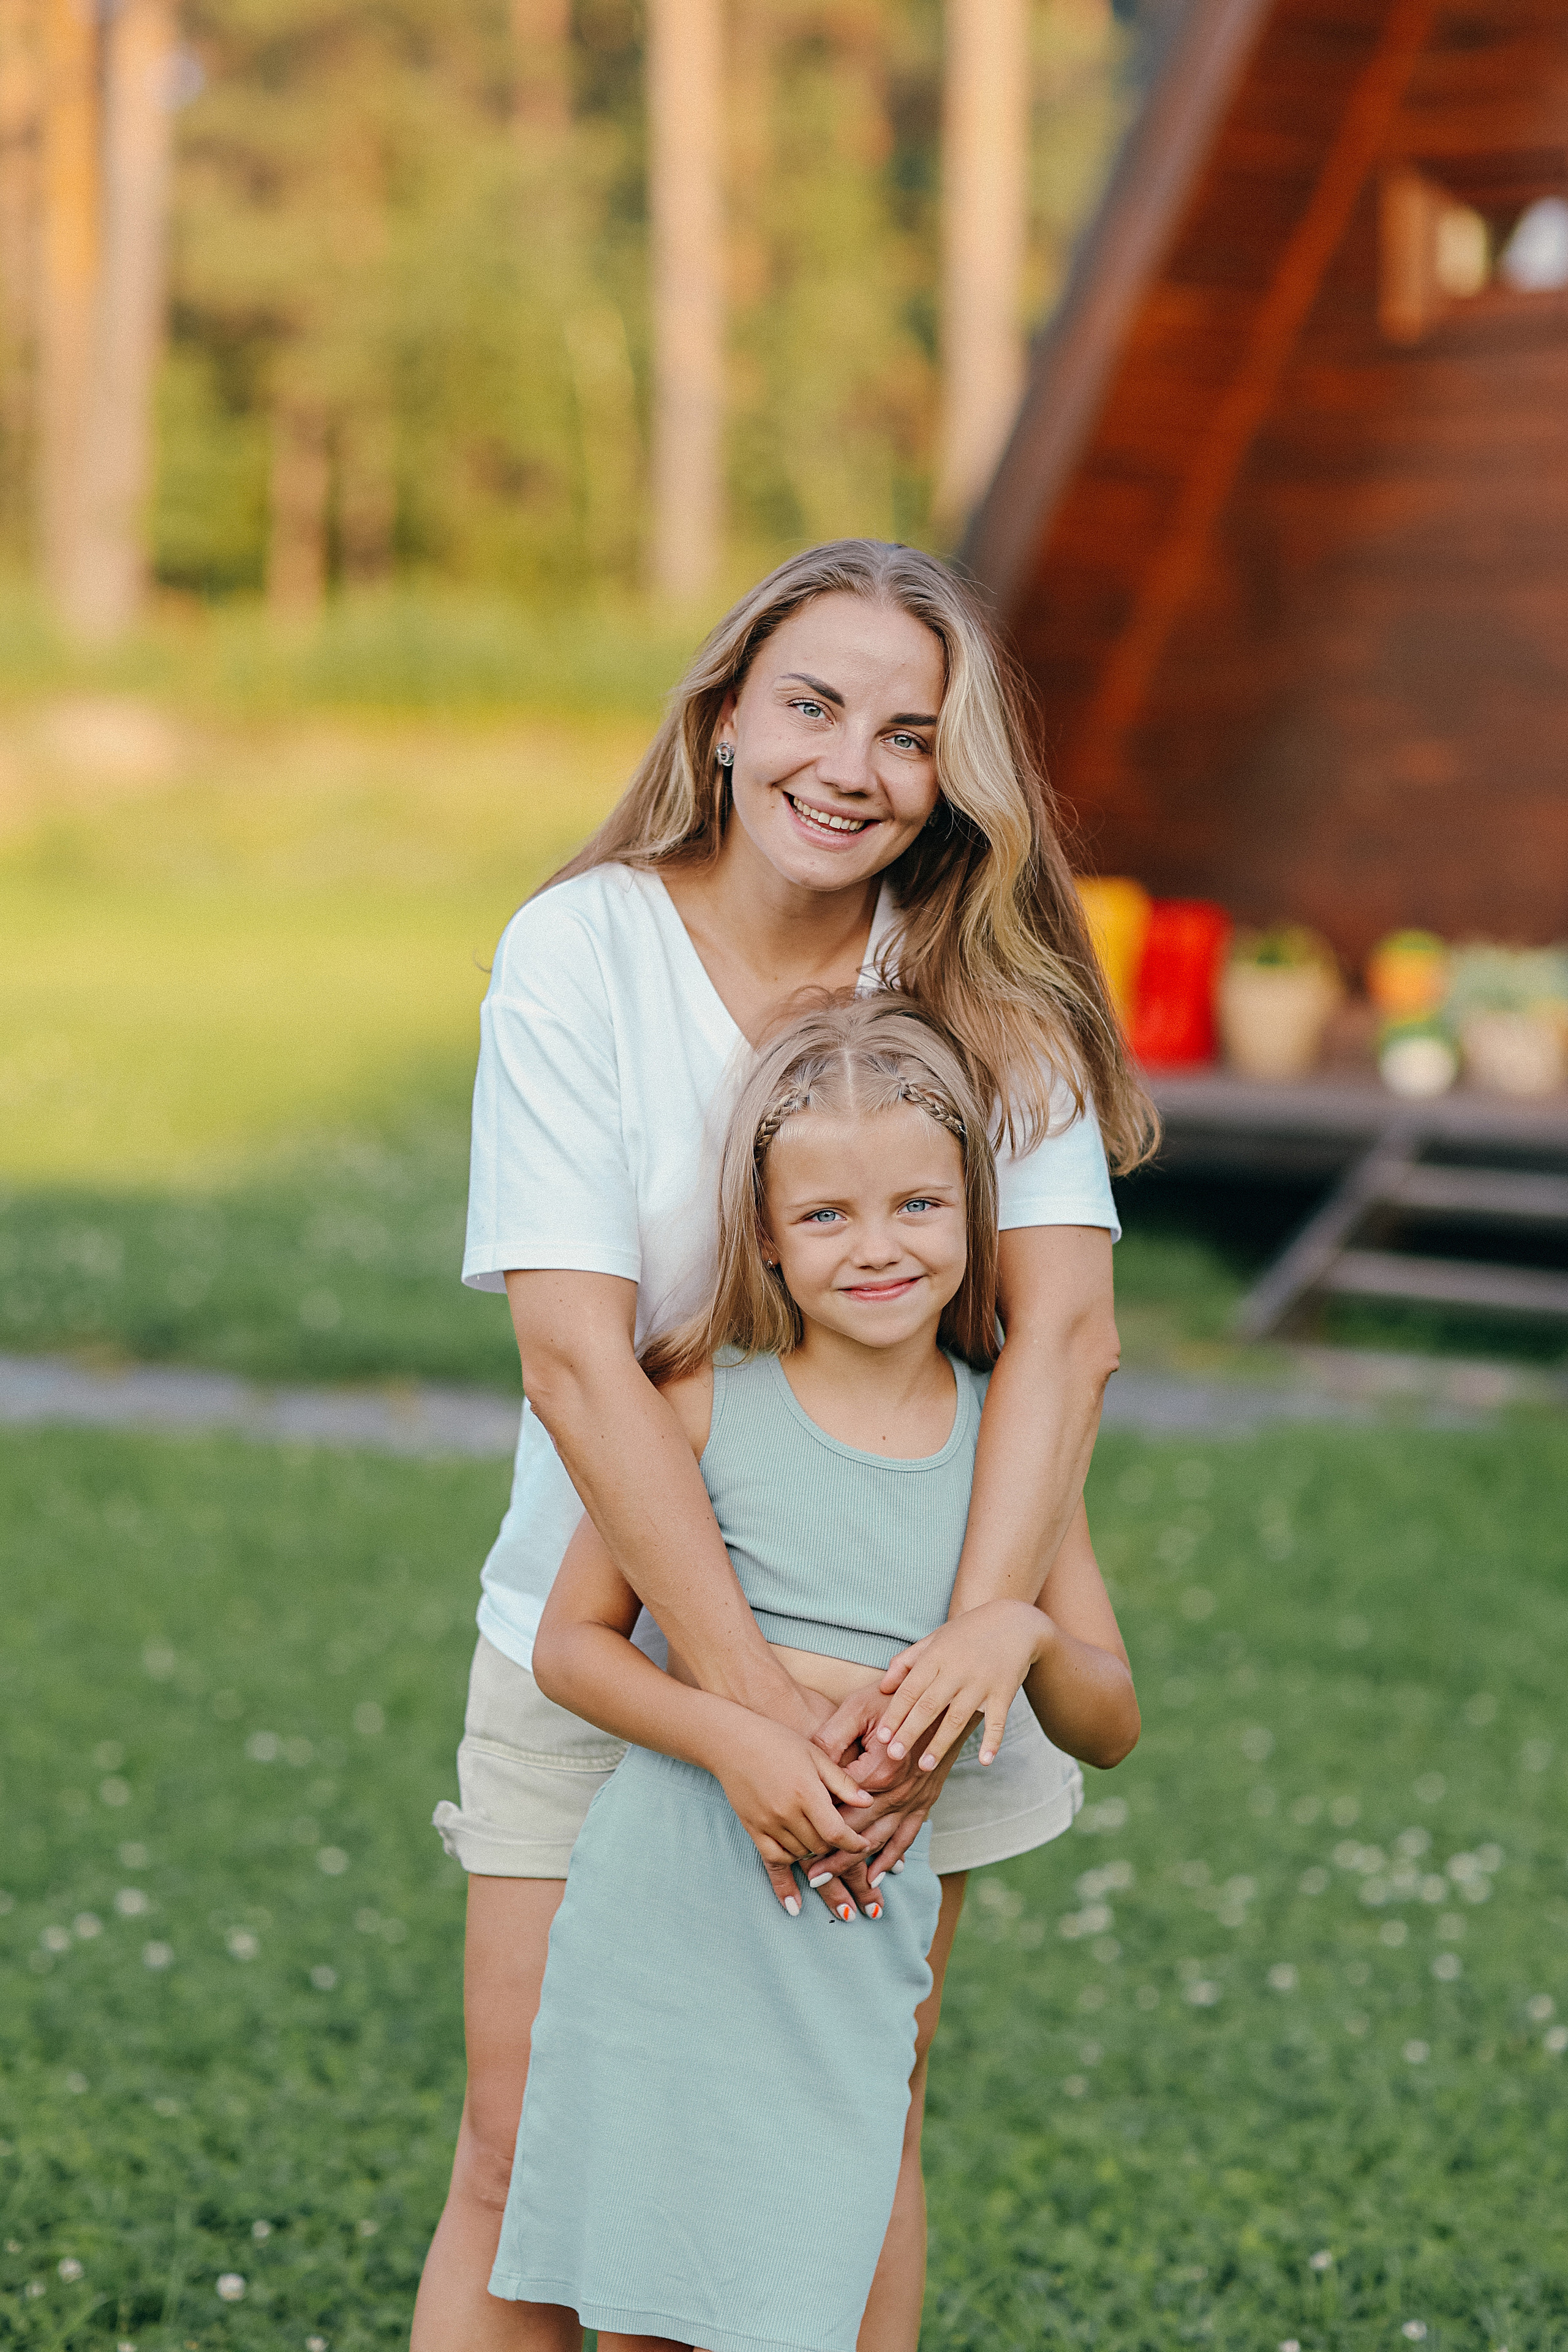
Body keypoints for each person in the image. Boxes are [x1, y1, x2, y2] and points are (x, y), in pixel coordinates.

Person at [411, 538, 1155, 2352]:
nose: (852, 763)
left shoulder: (985, 975)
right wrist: (746, 1713)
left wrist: (971, 1652)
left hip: (921, 1667)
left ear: (949, 776)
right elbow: (575, 1357)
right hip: (612, 1651)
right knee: (520, 2156)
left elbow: (1065, 1324)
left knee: (849, 2139)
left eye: (910, 734)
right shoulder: (578, 949)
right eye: (812, 705)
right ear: (727, 716)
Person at [486, 996, 1140, 2352]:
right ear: (767, 1242)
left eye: (916, 1203)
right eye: (826, 1217)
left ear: (974, 1215)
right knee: (649, 2300)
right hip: (668, 1898)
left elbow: (1111, 1721)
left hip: (863, 1930)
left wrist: (1010, 1635)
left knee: (836, 2226)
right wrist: (739, 1740)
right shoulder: (699, 1401)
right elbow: (571, 1651)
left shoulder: (1014, 1448)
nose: (879, 1246)